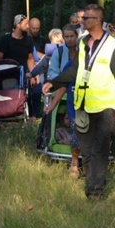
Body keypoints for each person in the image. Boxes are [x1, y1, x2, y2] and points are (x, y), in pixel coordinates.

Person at [43, 4, 115, 199]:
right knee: (87, 151)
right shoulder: (82, 44)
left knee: (100, 150)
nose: (82, 21)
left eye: (86, 18)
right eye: (82, 18)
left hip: (106, 108)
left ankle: (94, 192)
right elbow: (74, 71)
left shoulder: (113, 47)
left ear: (97, 21)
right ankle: (94, 183)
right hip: (82, 106)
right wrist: (54, 83)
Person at [43, 25, 81, 178]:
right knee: (75, 133)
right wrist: (52, 105)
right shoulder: (66, 62)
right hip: (71, 103)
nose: (70, 39)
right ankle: (75, 162)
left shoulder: (89, 60)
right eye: (67, 36)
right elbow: (62, 85)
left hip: (88, 105)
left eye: (72, 36)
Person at [0, 14, 38, 116]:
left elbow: (30, 59)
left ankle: (29, 114)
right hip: (7, 73)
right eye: (26, 24)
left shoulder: (29, 40)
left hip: (22, 73)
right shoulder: (6, 39)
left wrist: (32, 75)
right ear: (18, 25)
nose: (28, 26)